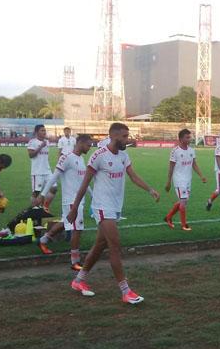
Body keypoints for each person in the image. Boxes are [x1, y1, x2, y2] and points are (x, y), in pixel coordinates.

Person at [66, 123, 161, 304]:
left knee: (100, 245)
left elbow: (133, 176)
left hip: (115, 207)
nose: (128, 139)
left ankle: (78, 280)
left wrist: (150, 189)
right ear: (114, 136)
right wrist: (74, 208)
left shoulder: (124, 156)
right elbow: (84, 184)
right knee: (115, 246)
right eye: (124, 136)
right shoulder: (98, 156)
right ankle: (126, 291)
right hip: (102, 207)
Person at [35, 135, 93, 270]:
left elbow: (84, 181)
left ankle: (43, 240)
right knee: (77, 229)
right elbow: (54, 176)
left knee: (65, 222)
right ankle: (75, 261)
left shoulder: (81, 159)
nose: (90, 148)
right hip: (71, 200)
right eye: (88, 145)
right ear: (80, 143)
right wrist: (43, 194)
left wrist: (93, 196)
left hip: (79, 199)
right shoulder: (66, 157)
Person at [164, 129, 207, 231]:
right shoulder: (175, 151)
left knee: (184, 201)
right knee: (183, 201)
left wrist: (201, 176)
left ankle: (168, 217)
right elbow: (171, 167)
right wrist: (168, 181)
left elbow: (194, 164)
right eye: (187, 137)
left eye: (190, 137)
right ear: (181, 139)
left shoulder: (191, 150)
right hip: (179, 180)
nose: (190, 139)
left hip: (188, 180)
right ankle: (184, 225)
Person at [27, 124, 56, 209]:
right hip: (37, 171)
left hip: (47, 170)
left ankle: (45, 206)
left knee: (54, 188)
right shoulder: (33, 142)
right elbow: (31, 155)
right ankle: (34, 209)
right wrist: (40, 147)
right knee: (36, 192)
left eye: (45, 130)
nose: (44, 132)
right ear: (37, 132)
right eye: (42, 130)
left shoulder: (47, 142)